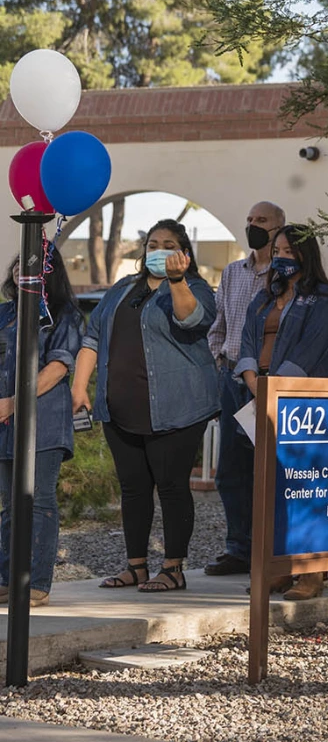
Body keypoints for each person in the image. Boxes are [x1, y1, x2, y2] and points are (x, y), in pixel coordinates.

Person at [72, 220, 219, 593]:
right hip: (120, 407)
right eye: (153, 243)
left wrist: (177, 280)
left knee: (171, 486)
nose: (159, 249)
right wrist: (79, 388)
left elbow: (192, 320)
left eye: (169, 244)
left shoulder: (194, 287)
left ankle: (173, 568)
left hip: (177, 408)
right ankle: (135, 566)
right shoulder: (122, 288)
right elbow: (92, 338)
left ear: (183, 252)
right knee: (133, 488)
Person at [236, 223, 328, 600]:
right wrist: (253, 380)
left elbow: (315, 350)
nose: (281, 257)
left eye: (289, 252)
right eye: (277, 251)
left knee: (307, 489)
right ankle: (281, 568)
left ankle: (312, 573)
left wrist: (276, 389)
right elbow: (248, 337)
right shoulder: (265, 297)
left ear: (305, 255)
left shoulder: (324, 299)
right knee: (272, 490)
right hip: (260, 395)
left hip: (303, 402)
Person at [204, 201, 284, 577]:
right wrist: (219, 359)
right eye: (250, 219)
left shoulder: (286, 274)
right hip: (231, 379)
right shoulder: (233, 271)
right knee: (230, 471)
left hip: (267, 383)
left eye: (262, 220)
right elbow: (219, 324)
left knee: (268, 470)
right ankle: (239, 547)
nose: (254, 225)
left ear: (279, 228)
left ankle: (271, 549)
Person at [0, 249, 83, 607]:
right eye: (18, 263)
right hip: (3, 423)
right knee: (8, 505)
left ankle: (36, 583)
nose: (22, 269)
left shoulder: (62, 315)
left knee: (38, 502)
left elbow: (58, 367)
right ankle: (6, 579)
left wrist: (14, 402)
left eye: (31, 264)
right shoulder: (4, 314)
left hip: (43, 421)